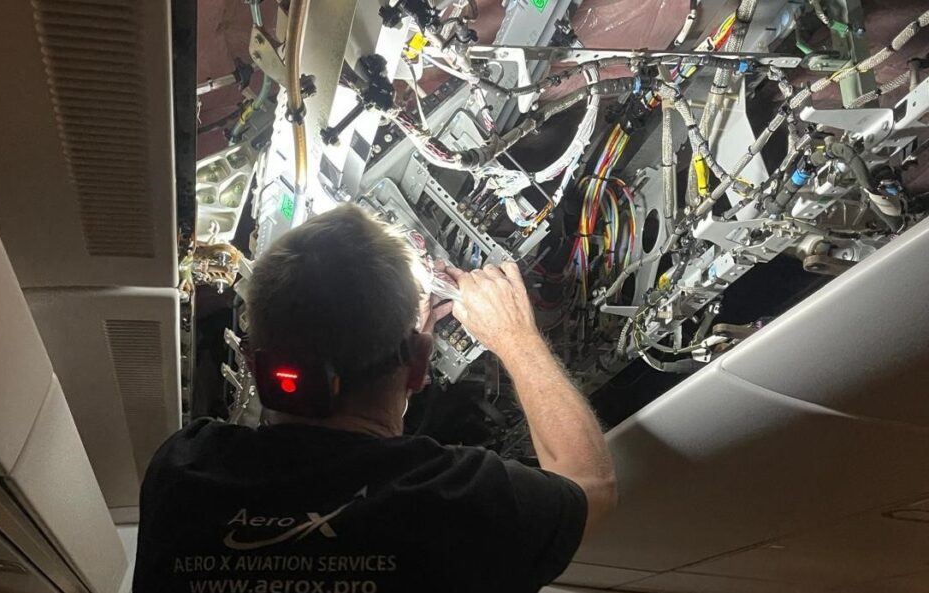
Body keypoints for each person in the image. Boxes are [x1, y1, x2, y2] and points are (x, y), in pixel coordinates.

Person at [134, 205, 616, 593]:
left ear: (258, 366)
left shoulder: (183, 471)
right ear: (421, 362)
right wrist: (516, 338)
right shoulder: (461, 504)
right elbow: (589, 482)